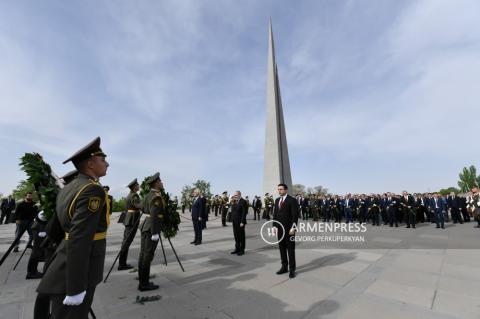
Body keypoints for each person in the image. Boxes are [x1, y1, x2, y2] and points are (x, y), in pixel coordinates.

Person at [37, 136, 110, 319]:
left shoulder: (70, 187)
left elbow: (56, 225)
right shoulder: (92, 190)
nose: (107, 164)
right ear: (91, 164)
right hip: (79, 267)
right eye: (103, 160)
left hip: (64, 258)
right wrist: (76, 287)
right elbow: (80, 237)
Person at [137, 172, 164, 291]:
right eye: (160, 181)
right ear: (156, 183)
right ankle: (144, 284)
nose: (162, 183)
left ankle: (143, 280)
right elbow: (154, 215)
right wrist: (154, 232)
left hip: (145, 226)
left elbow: (142, 208)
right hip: (151, 228)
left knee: (143, 254)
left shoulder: (148, 195)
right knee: (147, 255)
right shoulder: (156, 196)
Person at [273, 183, 299, 279]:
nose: (279, 191)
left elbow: (295, 215)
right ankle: (284, 266)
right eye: (278, 189)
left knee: (290, 249)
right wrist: (274, 226)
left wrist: (293, 227)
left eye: (281, 189)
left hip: (289, 230)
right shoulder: (277, 200)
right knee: (282, 248)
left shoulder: (292, 200)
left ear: (286, 190)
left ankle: (292, 269)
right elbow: (275, 214)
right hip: (279, 229)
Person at [118, 178, 142, 271]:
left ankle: (122, 262)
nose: (139, 186)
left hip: (130, 219)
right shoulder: (134, 195)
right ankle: (122, 264)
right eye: (137, 185)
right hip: (132, 220)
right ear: (134, 187)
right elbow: (138, 206)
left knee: (126, 241)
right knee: (127, 241)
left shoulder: (131, 194)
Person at [26, 210, 48, 279]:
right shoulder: (43, 212)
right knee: (35, 253)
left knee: (36, 253)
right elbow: (40, 220)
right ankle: (31, 272)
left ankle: (32, 271)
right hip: (39, 233)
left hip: (40, 232)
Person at [230, 191, 247, 256]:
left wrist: (242, 222)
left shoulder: (243, 201)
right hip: (234, 221)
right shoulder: (234, 201)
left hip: (240, 222)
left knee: (241, 236)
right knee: (236, 236)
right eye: (234, 195)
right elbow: (232, 211)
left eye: (236, 195)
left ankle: (242, 250)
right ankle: (237, 248)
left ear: (239, 195)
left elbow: (244, 212)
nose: (235, 196)